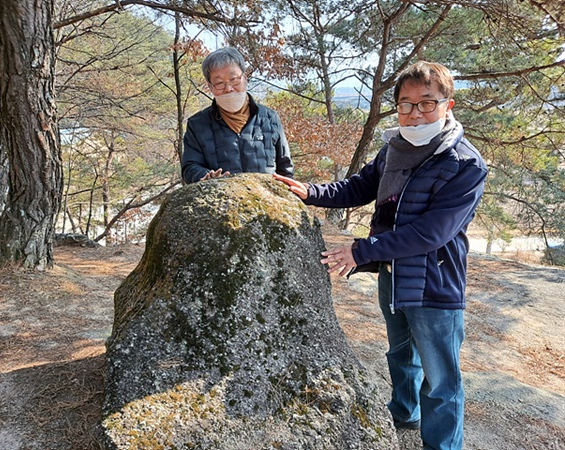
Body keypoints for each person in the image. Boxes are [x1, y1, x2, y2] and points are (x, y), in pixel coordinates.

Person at [274, 61, 487, 450]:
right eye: (405, 104)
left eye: (426, 103)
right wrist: (310, 192)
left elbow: (432, 232)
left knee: (441, 380)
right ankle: (404, 412)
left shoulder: (465, 163)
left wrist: (360, 250)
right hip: (393, 274)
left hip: (435, 283)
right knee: (401, 354)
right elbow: (360, 187)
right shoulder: (395, 148)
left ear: (447, 104)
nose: (415, 113)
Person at [182, 47, 294, 183]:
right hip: (220, 201)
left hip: (265, 201)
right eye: (219, 83)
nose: (228, 88)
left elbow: (285, 169)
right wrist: (207, 176)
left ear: (245, 78)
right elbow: (190, 168)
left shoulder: (269, 118)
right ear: (210, 87)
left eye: (234, 79)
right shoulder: (198, 124)